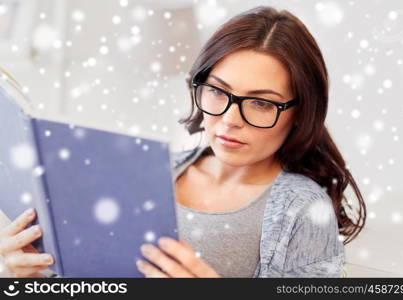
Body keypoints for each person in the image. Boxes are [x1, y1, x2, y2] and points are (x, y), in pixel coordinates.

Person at [0, 5, 366, 278]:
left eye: (260, 103)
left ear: (300, 111)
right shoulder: (151, 169)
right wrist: (30, 275)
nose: (228, 119)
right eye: (217, 92)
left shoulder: (304, 211)